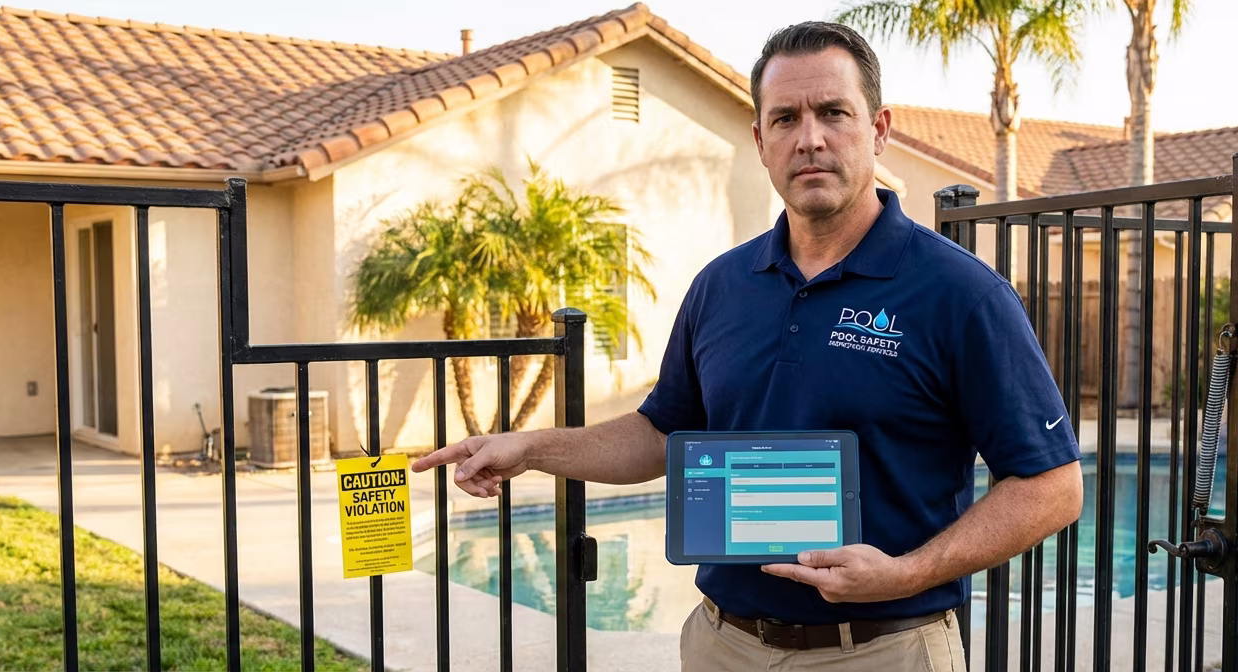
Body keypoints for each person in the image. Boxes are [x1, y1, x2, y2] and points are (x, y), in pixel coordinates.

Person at [410, 20, 1083, 672]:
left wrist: (905, 573)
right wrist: (528, 448)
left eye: (833, 113)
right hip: (722, 646)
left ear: (878, 130)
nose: (810, 138)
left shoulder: (961, 294)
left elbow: (1053, 486)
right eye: (786, 119)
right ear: (760, 140)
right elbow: (661, 433)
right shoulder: (722, 286)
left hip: (884, 650)